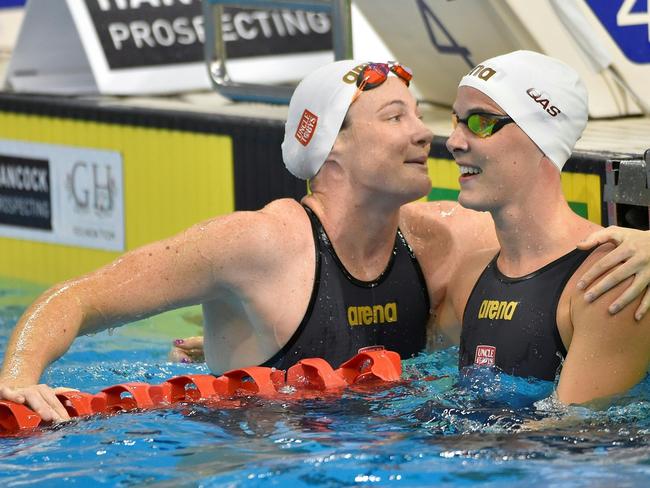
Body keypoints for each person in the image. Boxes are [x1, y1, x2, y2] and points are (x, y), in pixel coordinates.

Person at [0, 60, 648, 422]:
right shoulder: (254, 244)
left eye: (423, 115)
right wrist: (18, 377)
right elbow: (81, 297)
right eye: (397, 117)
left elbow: (557, 253)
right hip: (246, 455)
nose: (428, 135)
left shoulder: (441, 241)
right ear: (331, 147)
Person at [435, 50, 650, 404]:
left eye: (480, 122)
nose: (454, 142)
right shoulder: (469, 276)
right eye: (456, 120)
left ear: (542, 138)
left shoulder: (610, 279)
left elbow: (575, 438)